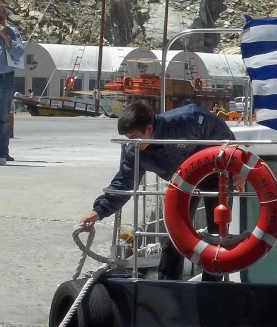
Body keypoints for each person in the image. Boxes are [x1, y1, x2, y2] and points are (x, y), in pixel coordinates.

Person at [77, 100, 241, 280]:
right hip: (182, 183)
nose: (133, 143)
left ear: (149, 128)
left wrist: (236, 169)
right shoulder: (136, 151)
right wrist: (97, 212)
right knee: (174, 238)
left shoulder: (189, 119)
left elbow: (224, 135)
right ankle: (168, 284)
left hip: (215, 176)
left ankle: (211, 286)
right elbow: (123, 183)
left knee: (216, 235)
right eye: (129, 139)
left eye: (134, 137)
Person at [0, 3, 25, 167]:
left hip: (5, 78)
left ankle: (2, 152)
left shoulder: (12, 32)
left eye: (1, 19)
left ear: (6, 19)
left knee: (3, 116)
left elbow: (19, 52)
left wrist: (5, 36)